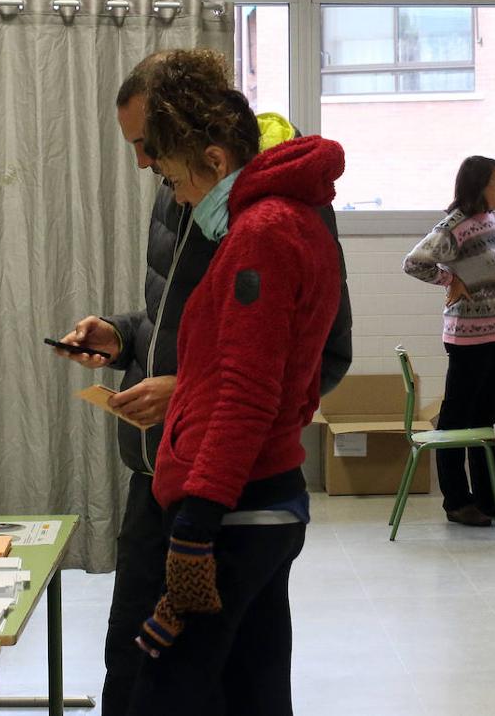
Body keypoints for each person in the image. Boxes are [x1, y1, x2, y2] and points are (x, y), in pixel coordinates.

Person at [52, 52, 352, 714]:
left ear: (212, 158)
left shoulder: (262, 232)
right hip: (222, 486)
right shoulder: (265, 218)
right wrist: (132, 340)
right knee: (252, 682)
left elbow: (255, 389)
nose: (156, 178)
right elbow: (232, 356)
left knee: (164, 685)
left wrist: (194, 524)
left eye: (157, 160)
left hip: (226, 497)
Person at [403, 156, 495, 526]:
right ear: (477, 186)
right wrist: (450, 280)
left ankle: (490, 497)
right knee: (458, 421)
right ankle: (457, 501)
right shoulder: (454, 225)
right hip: (468, 337)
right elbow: (413, 263)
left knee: (485, 419)